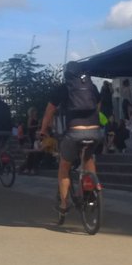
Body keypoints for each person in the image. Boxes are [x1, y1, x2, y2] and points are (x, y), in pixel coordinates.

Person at [40, 63, 102, 215]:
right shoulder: (91, 87)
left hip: (74, 132)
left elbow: (49, 112)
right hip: (95, 132)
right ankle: (92, 188)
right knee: (88, 158)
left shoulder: (63, 88)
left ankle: (63, 205)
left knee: (64, 167)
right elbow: (98, 105)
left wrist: (43, 130)